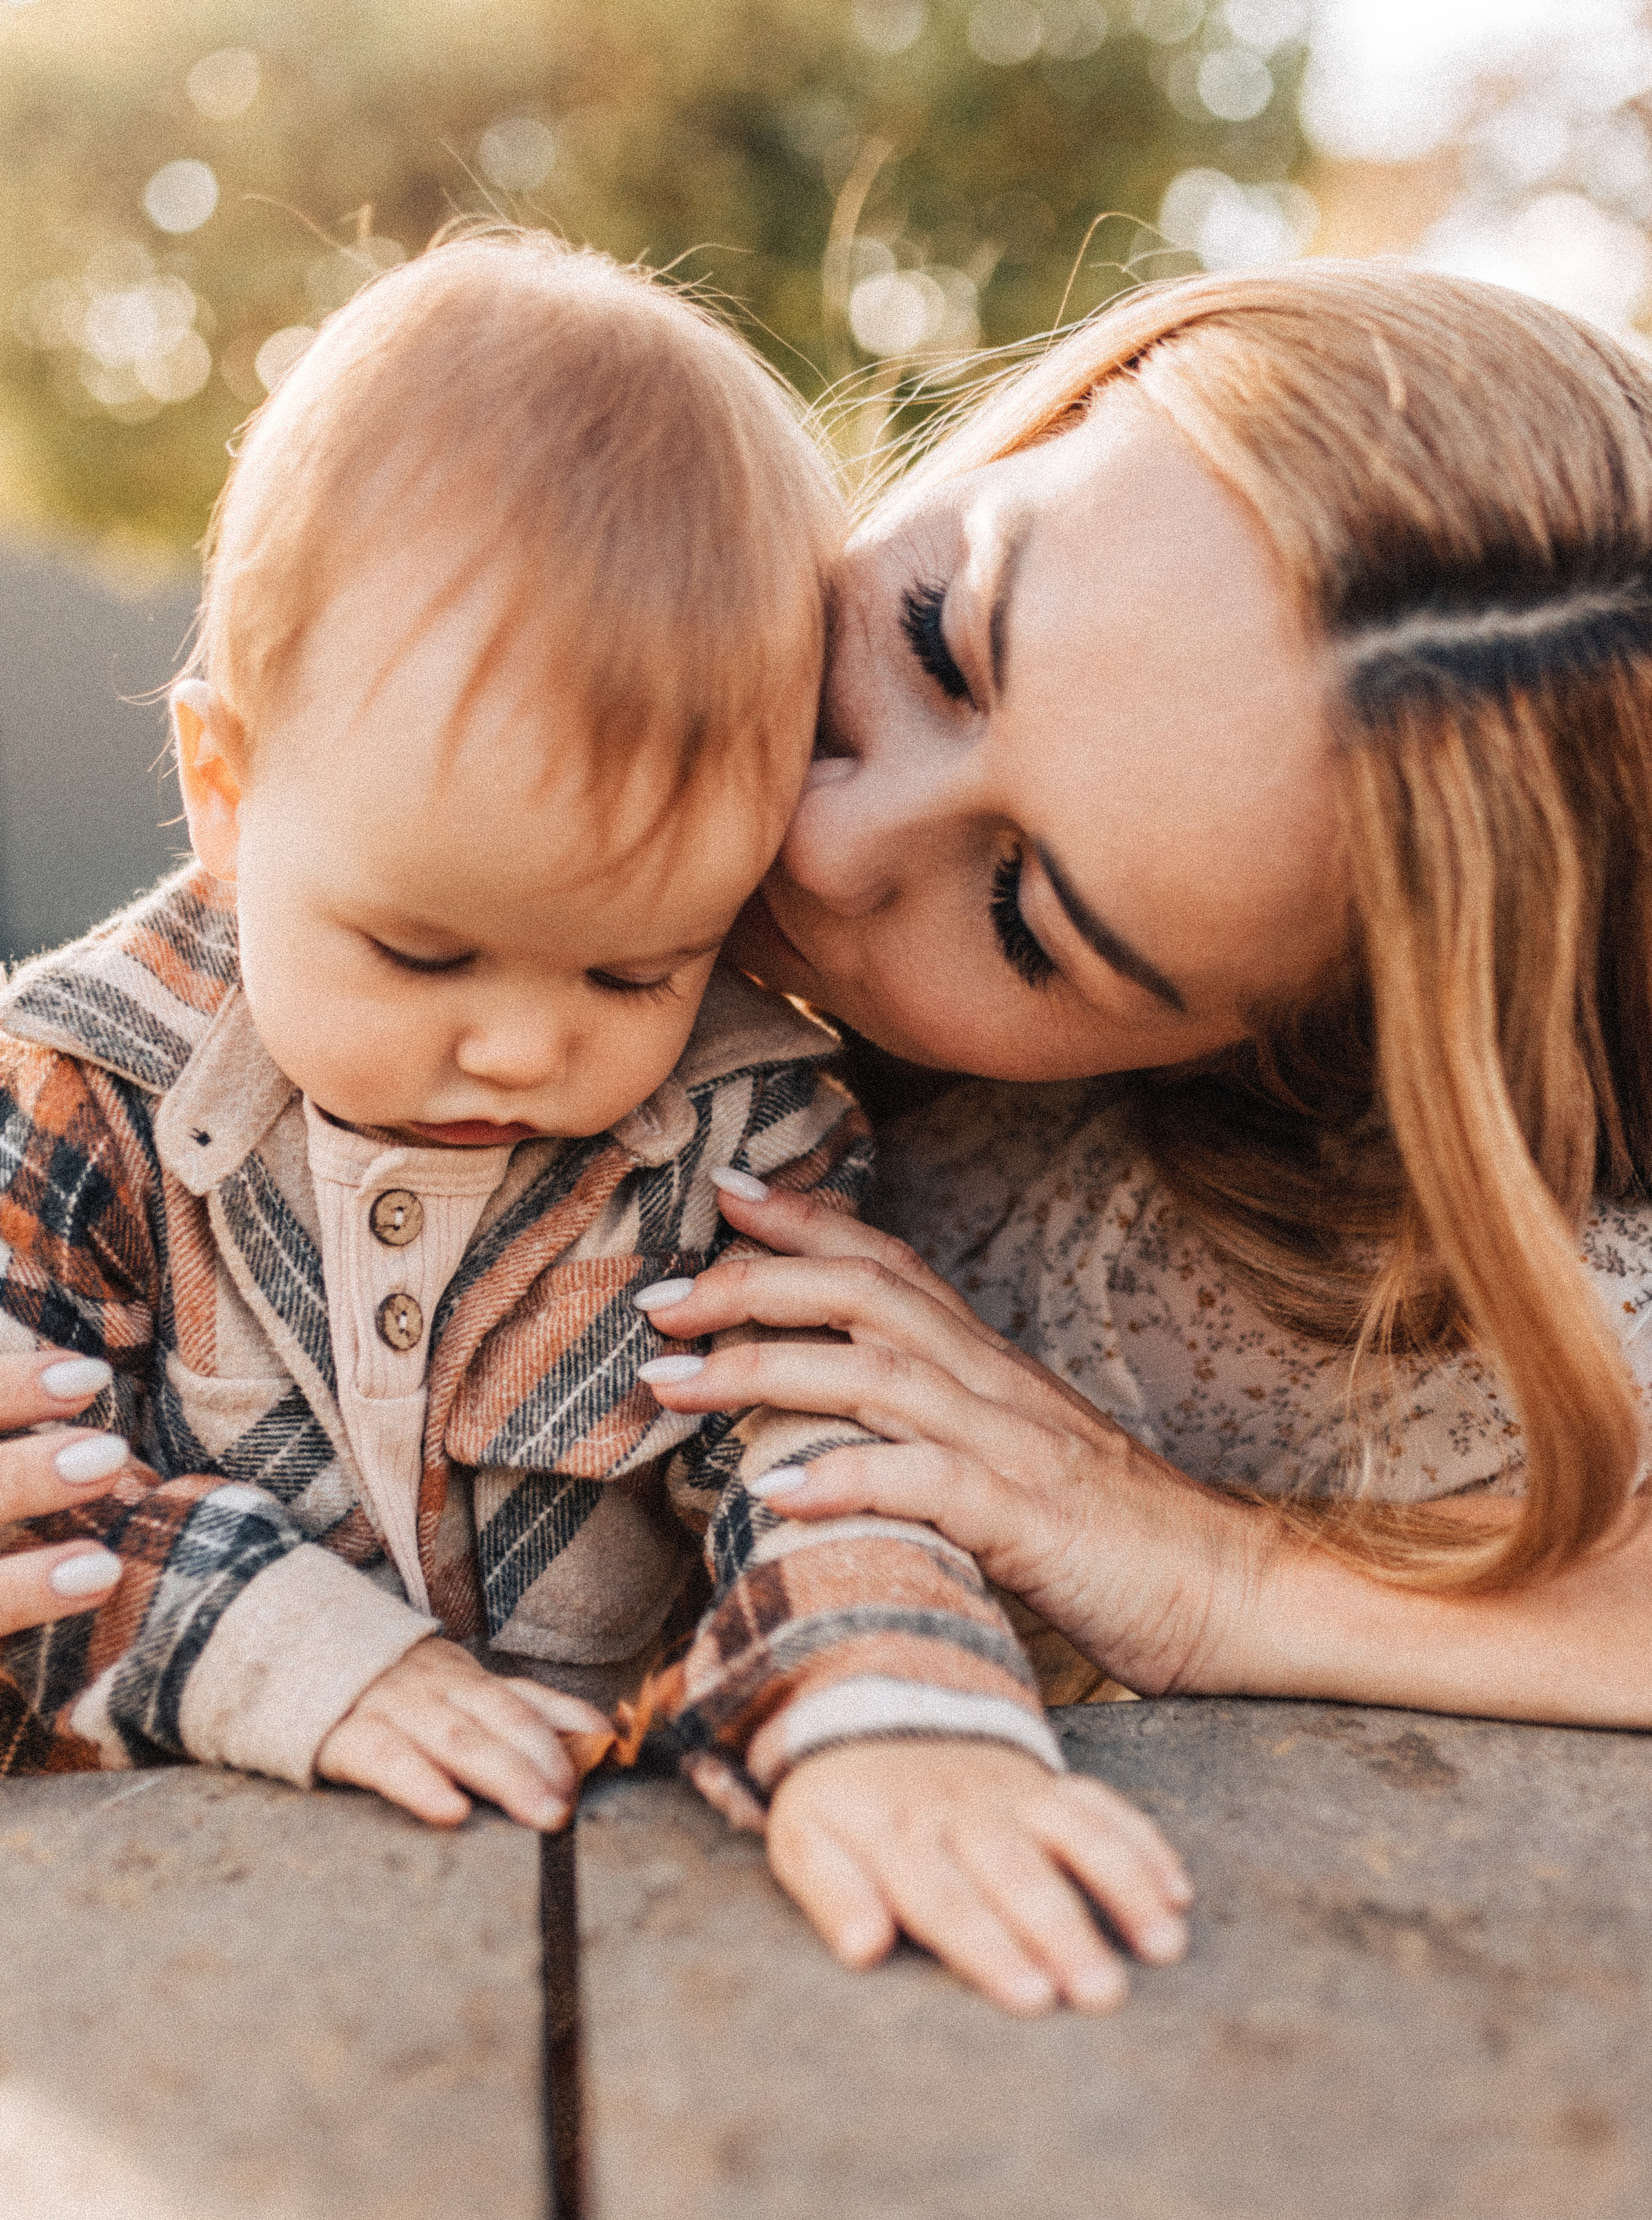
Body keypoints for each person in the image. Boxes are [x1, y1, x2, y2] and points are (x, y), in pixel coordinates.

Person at [0, 230, 1190, 2016]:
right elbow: (32, 1514)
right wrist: (300, 1656)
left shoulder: (737, 1132)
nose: (519, 1044)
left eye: (633, 974)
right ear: (226, 790)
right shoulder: (76, 1084)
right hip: (147, 1945)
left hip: (587, 1948)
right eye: (423, 948)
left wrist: (892, 1717)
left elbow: (814, 1455)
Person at [638, 262, 1652, 1766]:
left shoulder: (1230, 1270)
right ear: (1065, 402)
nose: (822, 842)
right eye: (934, 636)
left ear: (1290, 1067)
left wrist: (1207, 1577)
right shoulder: (556, 537)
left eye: (1022, 924)